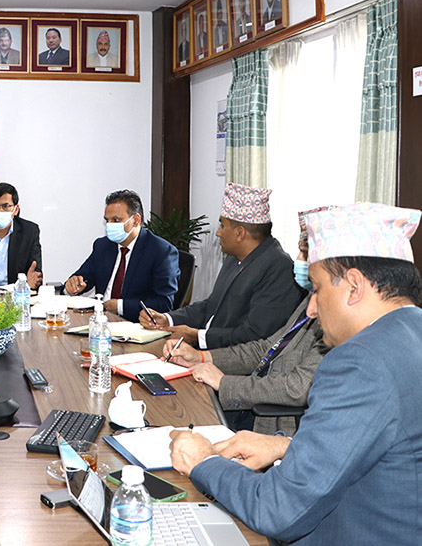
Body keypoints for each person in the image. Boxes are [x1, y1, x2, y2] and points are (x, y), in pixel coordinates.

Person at [170, 202, 422, 544]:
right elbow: (384, 448)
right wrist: (286, 446)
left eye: (316, 289)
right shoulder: (411, 332)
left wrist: (203, 462)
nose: (312, 308)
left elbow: (278, 509)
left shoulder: (359, 362)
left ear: (354, 286)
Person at [162, 208, 330, 435]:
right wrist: (201, 357)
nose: (297, 260)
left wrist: (225, 383)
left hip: (272, 424)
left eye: (305, 253)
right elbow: (265, 348)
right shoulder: (312, 299)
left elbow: (298, 387)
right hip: (248, 395)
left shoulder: (336, 317)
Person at [140, 183, 303, 349]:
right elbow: (210, 306)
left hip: (229, 359)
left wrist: (197, 335)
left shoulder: (278, 267)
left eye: (222, 226)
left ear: (239, 233)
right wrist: (167, 319)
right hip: (204, 349)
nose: (218, 232)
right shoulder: (234, 257)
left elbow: (256, 335)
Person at [65, 190, 178, 322]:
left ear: (136, 220)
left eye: (116, 220)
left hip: (135, 324)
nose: (109, 225)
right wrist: (72, 285)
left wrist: (120, 306)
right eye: (107, 220)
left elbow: (164, 303)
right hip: (99, 320)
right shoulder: (103, 246)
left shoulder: (161, 251)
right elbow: (84, 277)